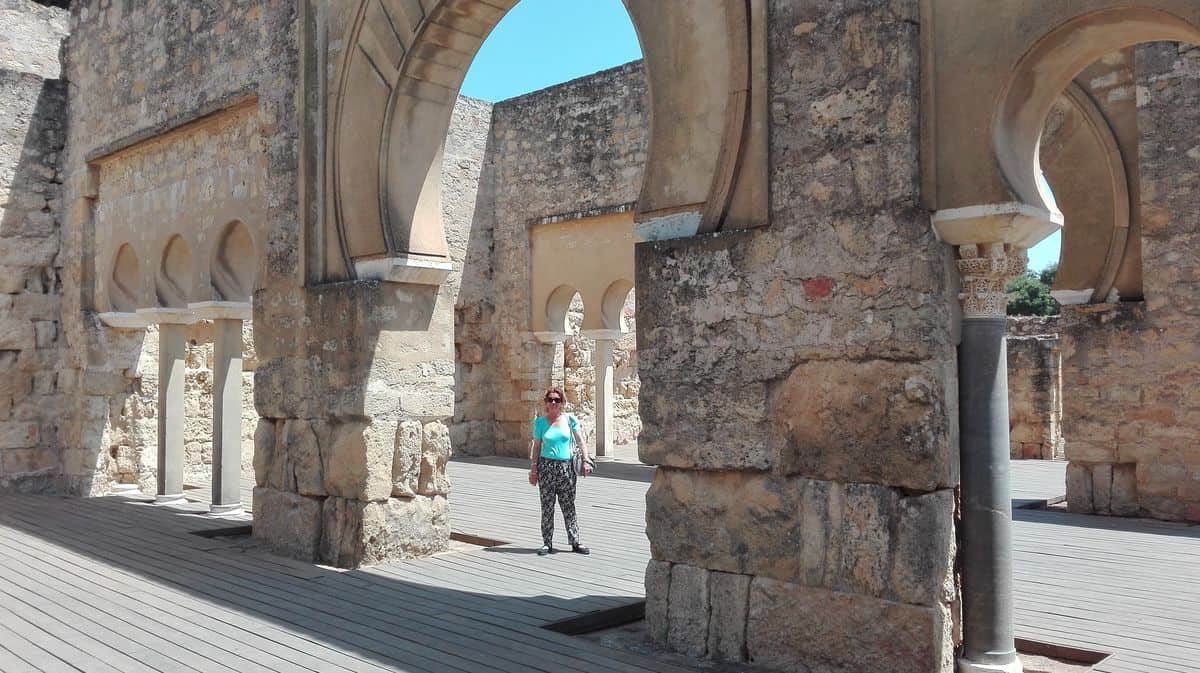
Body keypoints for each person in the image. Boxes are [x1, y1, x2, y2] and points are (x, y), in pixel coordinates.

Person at [528, 387, 592, 556]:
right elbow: (537, 447)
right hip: (546, 467)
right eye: (550, 399)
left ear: (562, 402)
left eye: (557, 399)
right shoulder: (540, 423)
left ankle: (575, 541)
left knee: (569, 505)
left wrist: (586, 460)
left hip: (566, 468)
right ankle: (547, 543)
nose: (553, 403)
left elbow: (580, 441)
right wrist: (533, 469)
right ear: (546, 403)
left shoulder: (570, 420)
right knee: (547, 507)